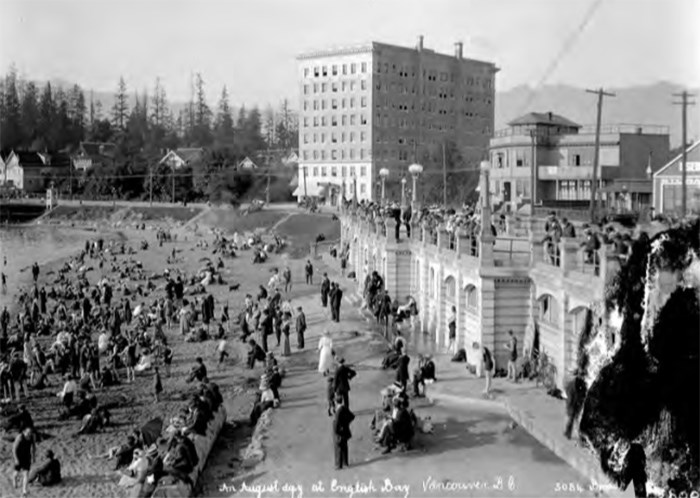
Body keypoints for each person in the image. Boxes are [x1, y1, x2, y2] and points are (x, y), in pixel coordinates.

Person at [332, 394, 355, 470]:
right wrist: (346, 424)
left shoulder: (338, 412)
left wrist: (337, 430)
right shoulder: (344, 408)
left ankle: (339, 464)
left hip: (339, 432)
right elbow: (352, 416)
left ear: (336, 402)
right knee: (344, 446)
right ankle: (345, 462)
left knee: (338, 447)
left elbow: (336, 424)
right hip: (345, 431)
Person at [13, 427, 35, 496]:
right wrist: (16, 459)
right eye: (28, 433)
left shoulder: (32, 437)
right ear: (24, 432)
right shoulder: (20, 438)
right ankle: (14, 478)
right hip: (19, 457)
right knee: (16, 473)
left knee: (26, 474)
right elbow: (14, 450)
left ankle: (24, 491)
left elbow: (33, 447)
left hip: (27, 457)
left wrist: (33, 457)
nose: (29, 434)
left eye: (30, 433)